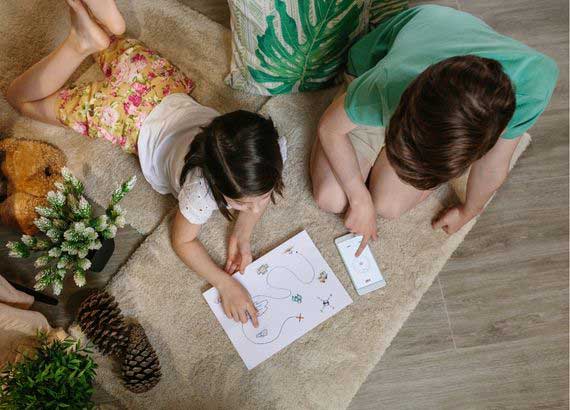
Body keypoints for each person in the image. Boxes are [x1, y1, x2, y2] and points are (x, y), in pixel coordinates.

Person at [6, 0, 289, 327]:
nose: (256, 208)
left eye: (263, 196)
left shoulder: (267, 142)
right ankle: (77, 44)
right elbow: (182, 241)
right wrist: (225, 284)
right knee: (21, 100)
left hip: (154, 79)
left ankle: (100, 32)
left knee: (109, 36)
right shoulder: (198, 190)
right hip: (122, 116)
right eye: (243, 203)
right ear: (214, 186)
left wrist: (243, 231)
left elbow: (253, 199)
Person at [311, 5, 558, 255]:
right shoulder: (389, 79)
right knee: (330, 197)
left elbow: (494, 164)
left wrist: (469, 210)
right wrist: (358, 197)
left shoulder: (534, 85)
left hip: (433, 71)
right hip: (392, 69)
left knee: (388, 206)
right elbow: (330, 129)